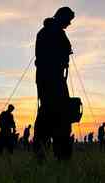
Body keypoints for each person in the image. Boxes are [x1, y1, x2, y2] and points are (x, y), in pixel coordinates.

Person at [33, 7, 75, 160]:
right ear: (61, 17)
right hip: (51, 80)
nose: (69, 24)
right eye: (68, 20)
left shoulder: (52, 32)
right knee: (54, 115)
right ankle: (56, 155)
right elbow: (46, 58)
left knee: (53, 115)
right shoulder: (49, 32)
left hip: (53, 79)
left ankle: (51, 154)